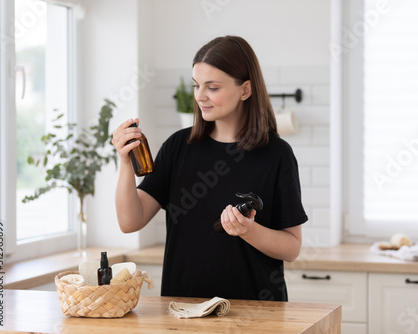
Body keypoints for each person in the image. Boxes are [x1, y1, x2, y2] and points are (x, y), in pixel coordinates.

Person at [111, 35, 308, 301]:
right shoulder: (178, 147)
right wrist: (125, 162)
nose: (200, 96)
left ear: (245, 90)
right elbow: (129, 221)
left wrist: (249, 231)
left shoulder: (276, 154)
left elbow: (292, 248)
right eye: (196, 85)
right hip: (183, 311)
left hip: (256, 314)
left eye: (212, 87)